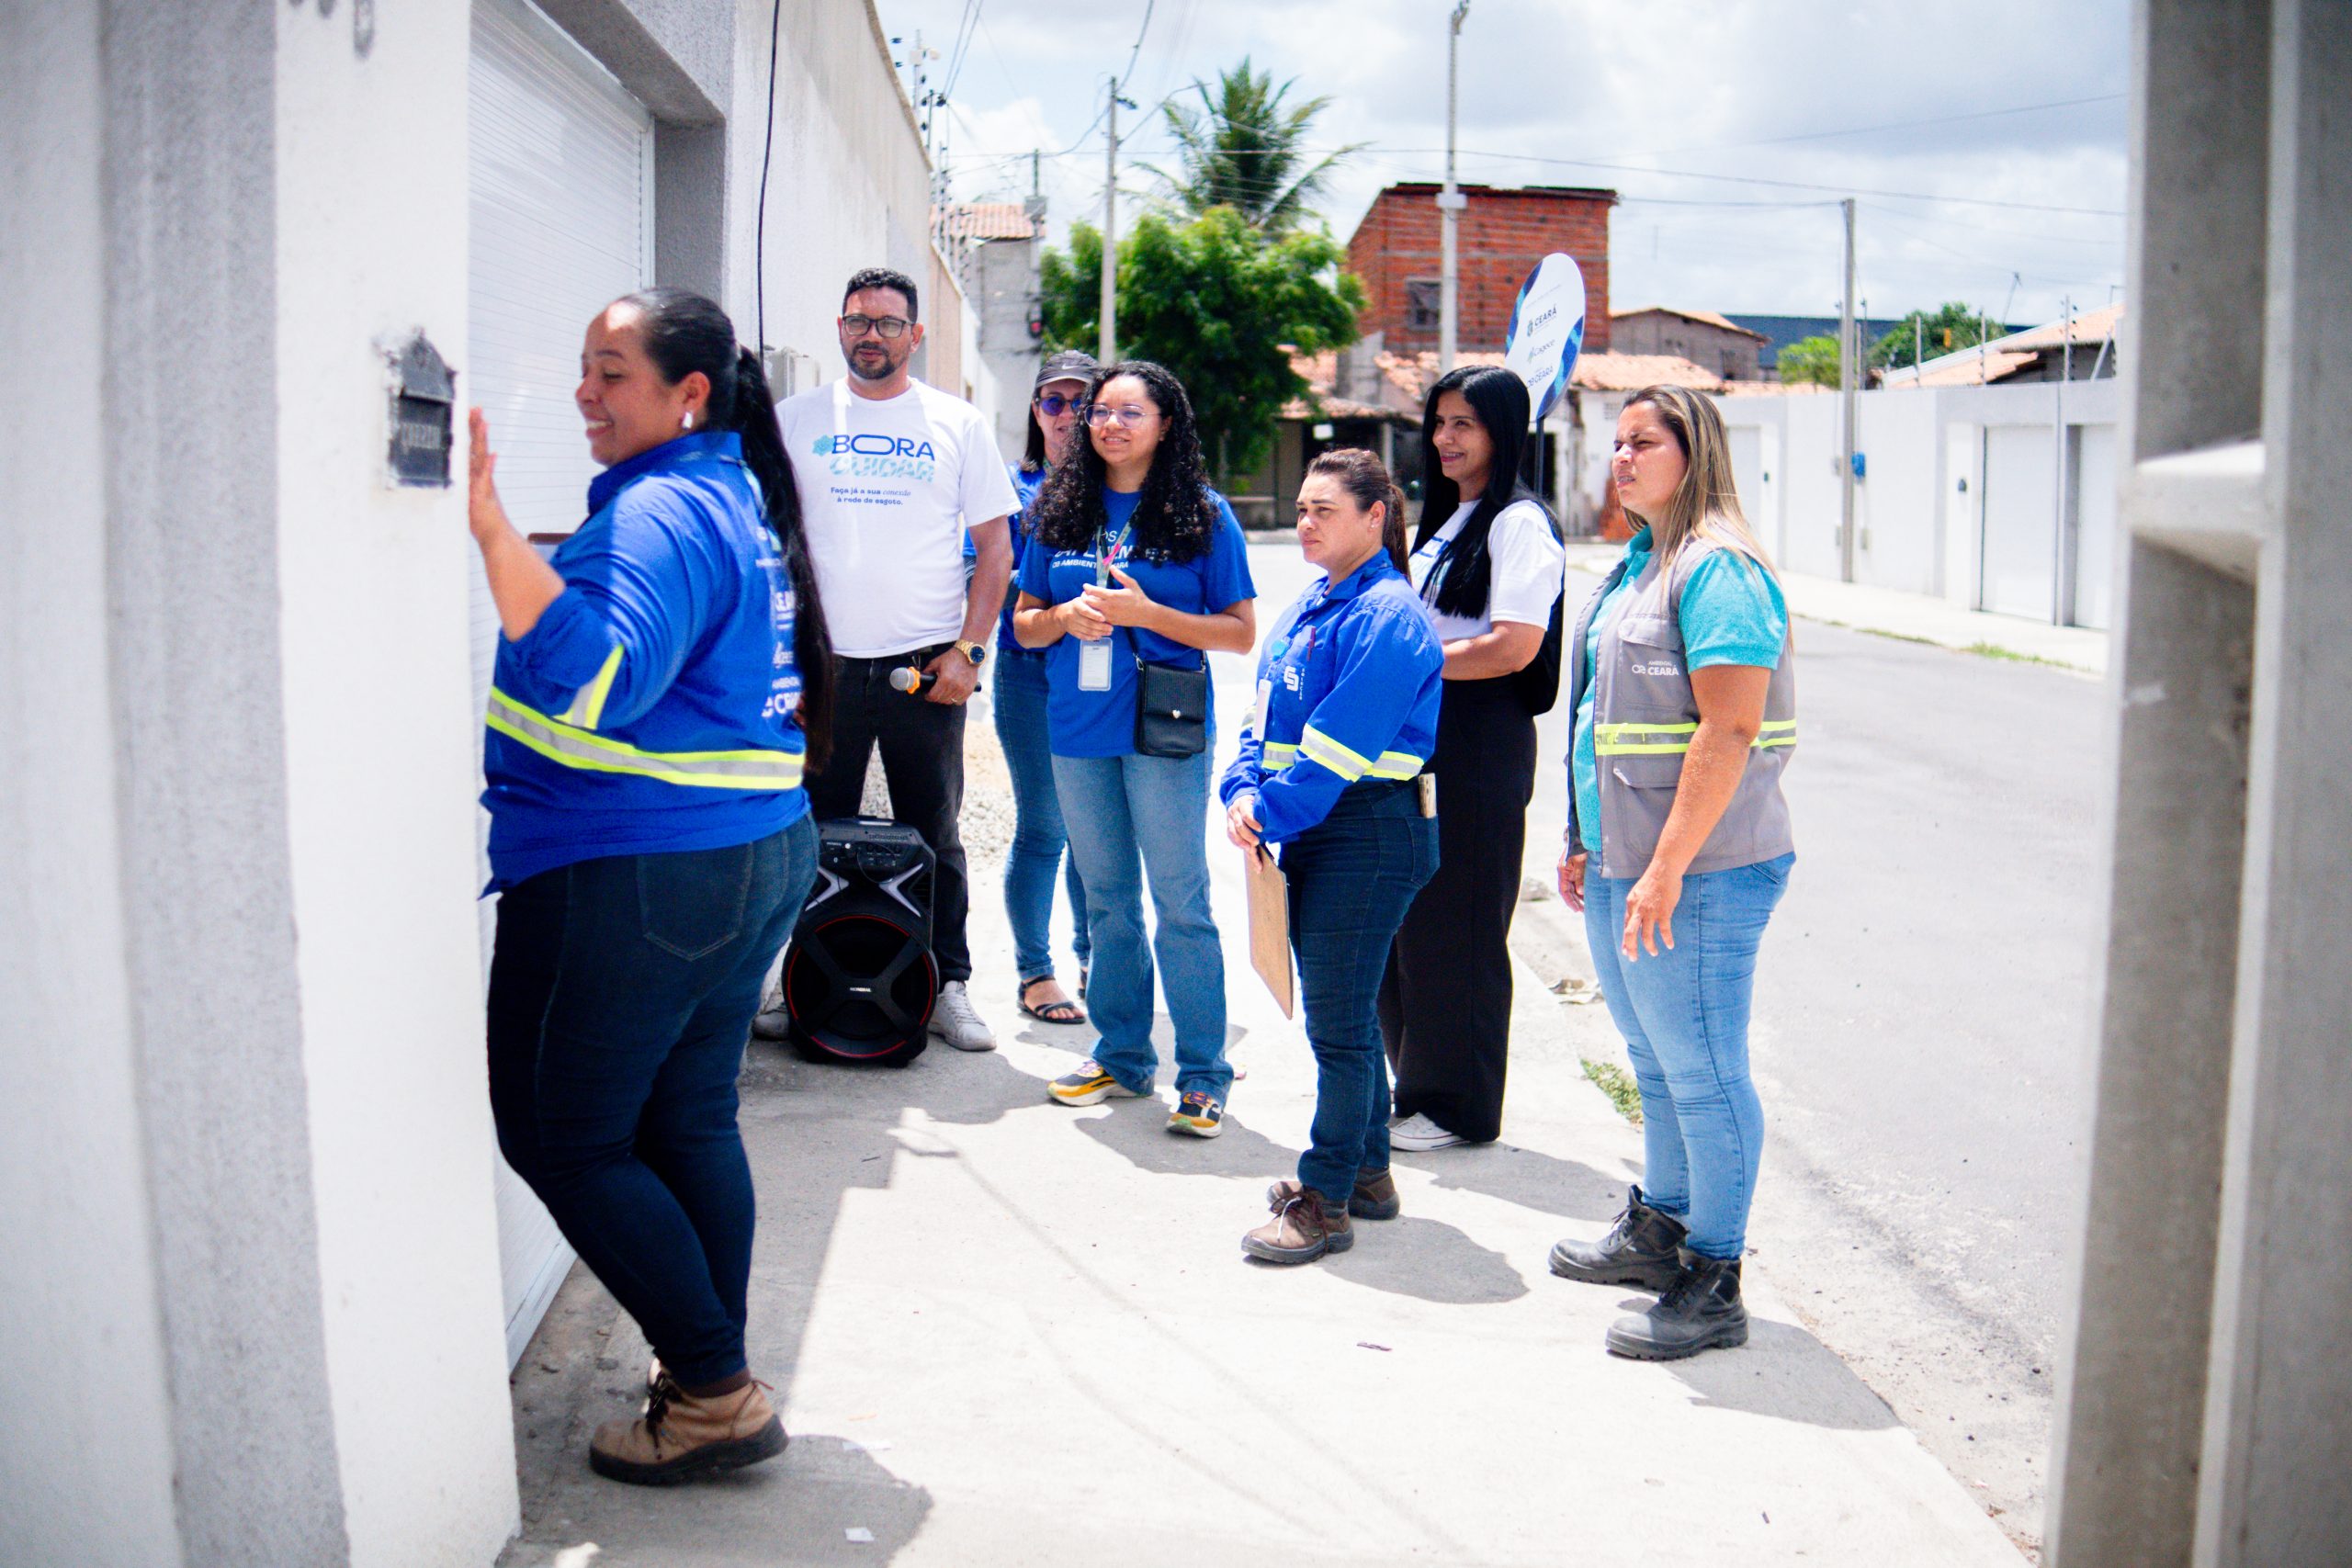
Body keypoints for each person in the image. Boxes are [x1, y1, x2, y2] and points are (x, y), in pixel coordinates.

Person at [469, 288, 832, 1483]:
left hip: (636, 872)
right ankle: (705, 1371)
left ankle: (716, 1391)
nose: (585, 390)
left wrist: (495, 541)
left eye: (611, 370)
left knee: (563, 1137)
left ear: (688, 394)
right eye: (582, 367)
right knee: (684, 1119)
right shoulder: (725, 492)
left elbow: (598, 680)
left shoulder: (660, 508)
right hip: (745, 852)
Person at [1548, 384, 1797, 1361]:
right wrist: (1582, 838)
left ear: (1695, 454)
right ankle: (1661, 1230)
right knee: (1653, 1061)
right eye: (1614, 443)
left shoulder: (1720, 570)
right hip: (1628, 857)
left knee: (1702, 1069)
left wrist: (1662, 871)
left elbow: (1730, 729)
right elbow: (1598, 723)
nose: (1619, 457)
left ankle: (1715, 1276)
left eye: (1641, 441)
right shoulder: (1639, 566)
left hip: (1700, 869)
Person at [773, 265, 1017, 1052]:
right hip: (823, 668)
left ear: (915, 334)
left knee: (935, 831)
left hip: (924, 666)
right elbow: (768, 546)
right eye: (856, 320)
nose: (869, 334)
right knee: (804, 831)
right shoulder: (794, 419)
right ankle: (790, 975)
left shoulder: (957, 424)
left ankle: (947, 983)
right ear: (838, 328)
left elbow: (995, 550)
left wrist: (970, 652)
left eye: (886, 321)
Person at [1012, 361, 1256, 1135]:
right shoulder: (1062, 505)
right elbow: (1022, 621)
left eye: (1129, 412)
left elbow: (1241, 632)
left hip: (1163, 732)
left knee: (1180, 903)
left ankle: (1204, 1073)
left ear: (1165, 425)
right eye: (1099, 412)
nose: (1109, 424)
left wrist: (1147, 612)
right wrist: (1064, 618)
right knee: (1109, 900)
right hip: (1076, 732)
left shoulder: (1203, 515)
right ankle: (1121, 1054)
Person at [1223, 450, 1443, 1263]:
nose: (1304, 520)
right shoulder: (1315, 604)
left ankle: (1327, 1197)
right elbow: (1259, 719)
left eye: (1323, 509)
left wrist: (1265, 808)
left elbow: (1335, 750)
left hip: (1369, 829)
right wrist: (1241, 791)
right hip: (1323, 825)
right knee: (1342, 1019)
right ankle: (1371, 1174)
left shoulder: (1388, 616)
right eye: (1304, 507)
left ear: (1375, 516)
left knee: (1341, 1029)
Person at [1377, 366, 1566, 1152]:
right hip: (1425, 734)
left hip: (1481, 740)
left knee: (1463, 924)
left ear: (1503, 431)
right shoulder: (1450, 520)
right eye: (1440, 422)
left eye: (1466, 424)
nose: (1447, 439)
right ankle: (1418, 1089)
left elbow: (1513, 648)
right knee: (1410, 921)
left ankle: (1460, 1108)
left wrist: (1404, 662)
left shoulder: (1520, 523)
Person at [996, 350, 1098, 1026]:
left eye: (1080, 400)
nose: (1066, 415)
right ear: (1036, 412)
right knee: (1044, 826)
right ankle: (1036, 969)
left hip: (1103, 677)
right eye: (1052, 402)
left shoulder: (1127, 488)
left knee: (1099, 832)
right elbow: (991, 582)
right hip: (1030, 674)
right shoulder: (1010, 489)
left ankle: (1100, 959)